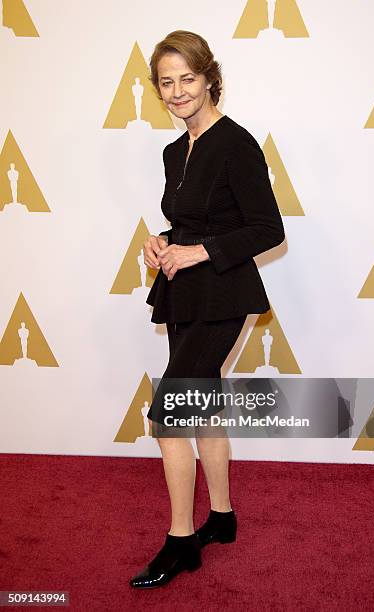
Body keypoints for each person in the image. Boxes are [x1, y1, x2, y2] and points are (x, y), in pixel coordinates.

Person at [129, 30, 285, 589]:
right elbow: (195, 220)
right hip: (184, 290)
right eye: (166, 83)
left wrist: (201, 251)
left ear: (209, 78)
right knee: (203, 404)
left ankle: (181, 543)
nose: (176, 92)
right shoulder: (175, 150)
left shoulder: (237, 144)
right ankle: (221, 517)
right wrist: (165, 241)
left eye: (186, 79)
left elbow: (267, 229)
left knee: (170, 415)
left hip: (225, 294)